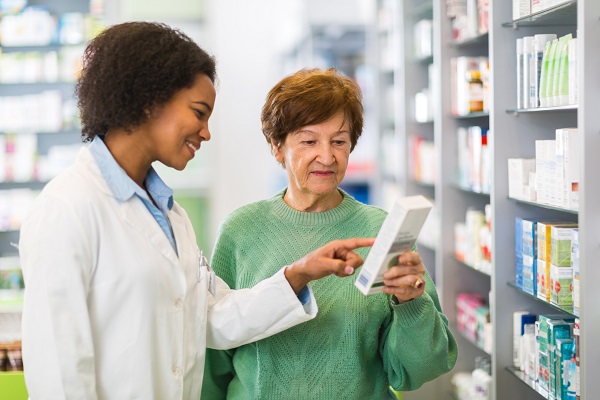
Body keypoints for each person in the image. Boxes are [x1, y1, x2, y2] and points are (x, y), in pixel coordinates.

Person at [18, 23, 375, 399]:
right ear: (148, 100)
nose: (206, 133)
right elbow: (59, 377)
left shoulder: (169, 214)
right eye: (199, 113)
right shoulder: (68, 208)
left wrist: (298, 275)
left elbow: (211, 318)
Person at [202, 68, 458, 399]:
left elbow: (418, 370)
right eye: (309, 141)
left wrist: (410, 302)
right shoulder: (240, 230)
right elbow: (212, 361)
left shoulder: (379, 230)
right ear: (277, 147)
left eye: (339, 141)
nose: (327, 156)